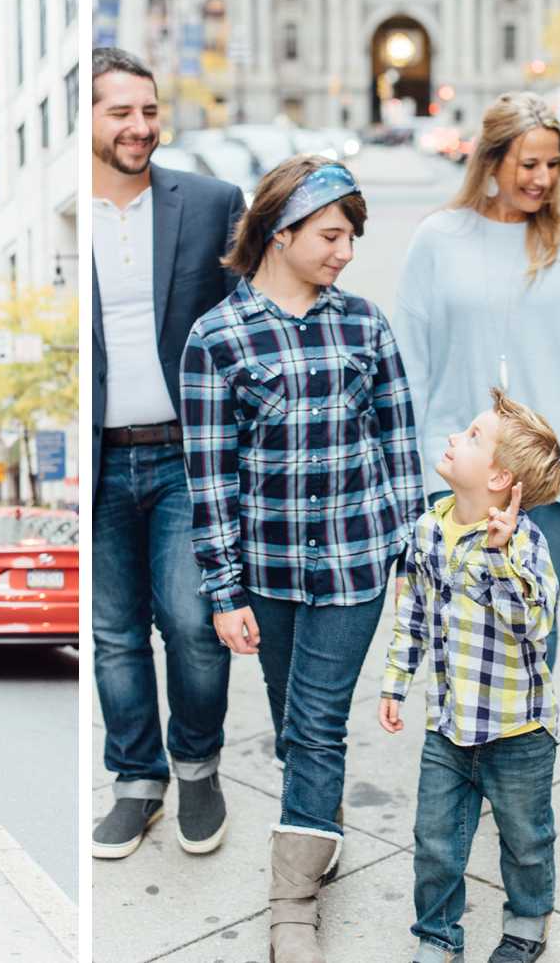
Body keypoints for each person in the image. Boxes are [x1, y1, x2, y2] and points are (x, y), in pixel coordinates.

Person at [181, 156, 424, 963]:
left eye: (352, 236)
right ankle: (317, 824)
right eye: (330, 234)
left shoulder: (365, 324)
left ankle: (292, 908)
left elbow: (398, 438)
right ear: (279, 232)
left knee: (316, 727)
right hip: (269, 572)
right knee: (293, 727)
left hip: (355, 566)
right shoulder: (216, 339)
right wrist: (223, 590)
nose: (345, 251)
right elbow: (209, 479)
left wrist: (405, 541)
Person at [394, 91, 560, 671]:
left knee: (533, 621)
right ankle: (462, 757)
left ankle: (524, 757)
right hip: (458, 466)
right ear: (491, 160)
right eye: (528, 163)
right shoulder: (439, 238)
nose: (542, 178)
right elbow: (407, 365)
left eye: (553, 164)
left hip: (553, 472)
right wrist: (402, 470)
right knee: (463, 623)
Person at [90, 46, 245, 861]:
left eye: (148, 111)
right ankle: (135, 781)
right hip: (101, 464)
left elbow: (247, 325)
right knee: (115, 633)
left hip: (190, 458)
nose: (140, 127)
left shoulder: (211, 202)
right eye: (120, 112)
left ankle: (197, 764)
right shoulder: (65, 217)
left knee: (192, 623)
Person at [380, 390, 560, 963]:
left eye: (473, 437)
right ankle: (437, 937)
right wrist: (395, 680)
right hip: (449, 724)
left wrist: (501, 557)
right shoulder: (428, 529)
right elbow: (412, 611)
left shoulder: (526, 545)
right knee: (435, 842)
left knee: (526, 840)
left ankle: (527, 923)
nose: (457, 438)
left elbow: (534, 625)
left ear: (498, 478)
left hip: (519, 731)